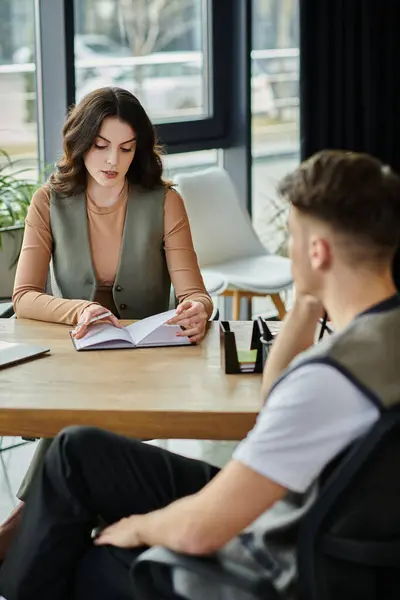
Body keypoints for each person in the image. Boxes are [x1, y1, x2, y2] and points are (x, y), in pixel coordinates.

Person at [2, 149, 400, 600]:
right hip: (314, 521)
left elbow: (198, 532)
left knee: (83, 558)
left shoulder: (330, 379)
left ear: (317, 251)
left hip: (275, 557)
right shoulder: (370, 344)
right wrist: (309, 299)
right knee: (78, 450)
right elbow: (279, 405)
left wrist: (139, 528)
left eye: (291, 237)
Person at [0, 87, 213, 560]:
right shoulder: (48, 202)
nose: (112, 160)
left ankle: (20, 529)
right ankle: (59, 539)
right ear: (79, 143)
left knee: (78, 433)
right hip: (75, 355)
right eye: (101, 145)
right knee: (79, 425)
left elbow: (194, 292)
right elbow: (24, 296)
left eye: (126, 147)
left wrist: (198, 309)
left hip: (145, 364)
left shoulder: (163, 201)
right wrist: (79, 310)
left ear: (139, 150)